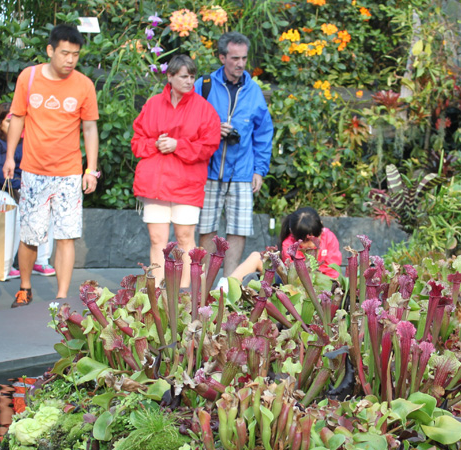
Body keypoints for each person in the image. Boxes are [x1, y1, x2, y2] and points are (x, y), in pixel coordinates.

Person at [4, 24, 99, 308]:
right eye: (65, 53)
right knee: (30, 235)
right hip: (33, 170)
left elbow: (90, 128)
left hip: (69, 173)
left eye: (75, 55)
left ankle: (61, 296)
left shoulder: (84, 84)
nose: (70, 60)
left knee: (66, 236)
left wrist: (90, 168)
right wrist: (10, 157)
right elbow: (17, 118)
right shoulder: (29, 77)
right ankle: (24, 287)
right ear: (50, 50)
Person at [131, 54, 221, 287]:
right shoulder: (152, 105)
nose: (189, 81)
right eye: (184, 76)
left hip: (186, 184)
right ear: (169, 76)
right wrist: (155, 144)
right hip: (155, 183)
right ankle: (157, 292)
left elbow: (210, 145)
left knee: (184, 240)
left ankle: (185, 295)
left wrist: (178, 145)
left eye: (192, 76)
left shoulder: (204, 109)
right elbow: (137, 142)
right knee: (157, 240)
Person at [194, 32, 273, 277]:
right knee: (206, 229)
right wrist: (213, 129)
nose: (240, 63)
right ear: (222, 57)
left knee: (238, 230)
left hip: (241, 171)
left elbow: (264, 133)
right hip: (208, 169)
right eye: (234, 58)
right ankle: (203, 287)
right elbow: (187, 122)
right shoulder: (203, 85)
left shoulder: (254, 91)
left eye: (244, 58)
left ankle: (228, 286)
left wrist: (259, 170)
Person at [0, 102, 54, 279]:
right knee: (11, 206)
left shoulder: (23, 142)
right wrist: (20, 184)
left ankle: (41, 260)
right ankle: (5, 263)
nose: (13, 126)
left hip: (20, 187)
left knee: (47, 205)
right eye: (8, 122)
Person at [226, 206, 341, 283]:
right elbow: (294, 275)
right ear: (293, 234)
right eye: (305, 241)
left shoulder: (329, 238)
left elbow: (333, 269)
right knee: (256, 257)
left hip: (323, 283)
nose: (311, 244)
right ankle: (224, 289)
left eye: (315, 238)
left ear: (321, 226)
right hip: (292, 283)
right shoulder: (289, 244)